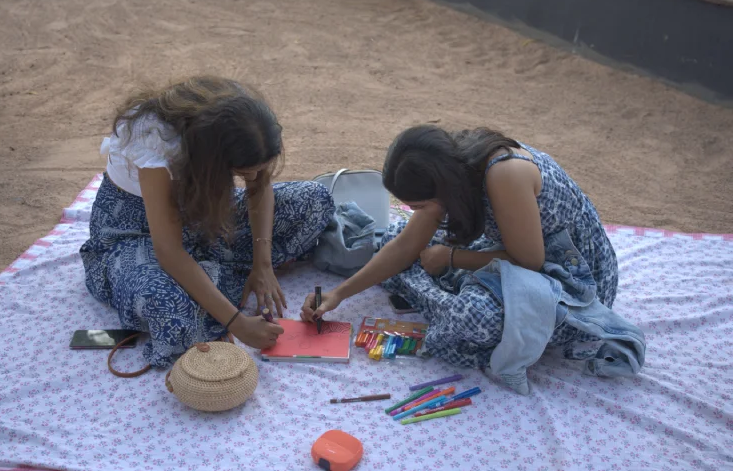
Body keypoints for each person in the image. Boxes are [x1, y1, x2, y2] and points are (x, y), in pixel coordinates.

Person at [301, 125, 618, 368]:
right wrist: (338, 294)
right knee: (393, 237)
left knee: (473, 316)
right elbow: (405, 245)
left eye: (420, 205)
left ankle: (438, 295)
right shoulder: (452, 168)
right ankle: (438, 290)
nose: (415, 212)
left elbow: (531, 261)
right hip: (513, 247)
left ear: (444, 189)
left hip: (571, 276)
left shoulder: (504, 174)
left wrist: (453, 258)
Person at [80, 76, 334, 368]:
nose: (251, 178)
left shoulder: (247, 119)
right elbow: (169, 251)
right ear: (212, 160)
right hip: (138, 235)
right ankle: (209, 286)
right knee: (166, 307)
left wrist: (262, 264)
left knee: (315, 200)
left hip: (204, 220)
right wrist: (237, 323)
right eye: (241, 172)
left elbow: (259, 187)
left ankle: (205, 285)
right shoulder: (154, 139)